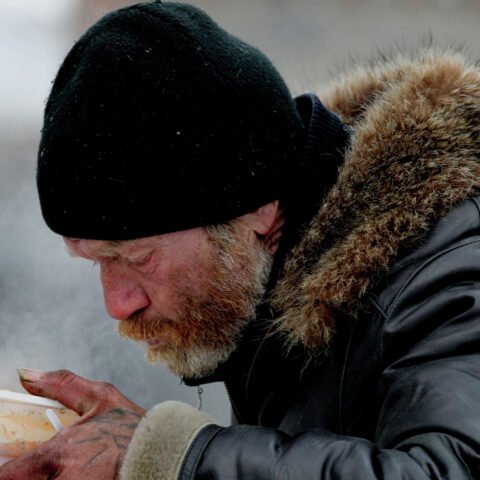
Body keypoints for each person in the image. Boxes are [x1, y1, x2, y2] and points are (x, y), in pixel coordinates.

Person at [2, 1, 480, 479]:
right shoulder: (268, 285)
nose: (116, 304)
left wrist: (173, 457)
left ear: (258, 210)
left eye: (139, 257)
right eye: (95, 262)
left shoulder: (453, 264)